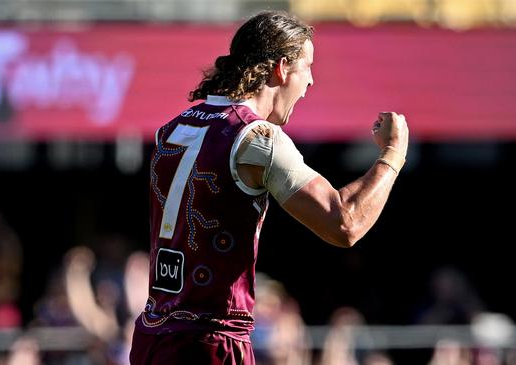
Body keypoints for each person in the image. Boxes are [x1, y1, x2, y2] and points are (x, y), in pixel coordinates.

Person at [130, 10, 409, 365]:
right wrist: (394, 155)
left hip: (152, 336)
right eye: (307, 66)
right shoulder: (257, 138)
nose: (310, 82)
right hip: (211, 341)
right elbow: (344, 223)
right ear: (281, 68)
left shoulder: (172, 128)